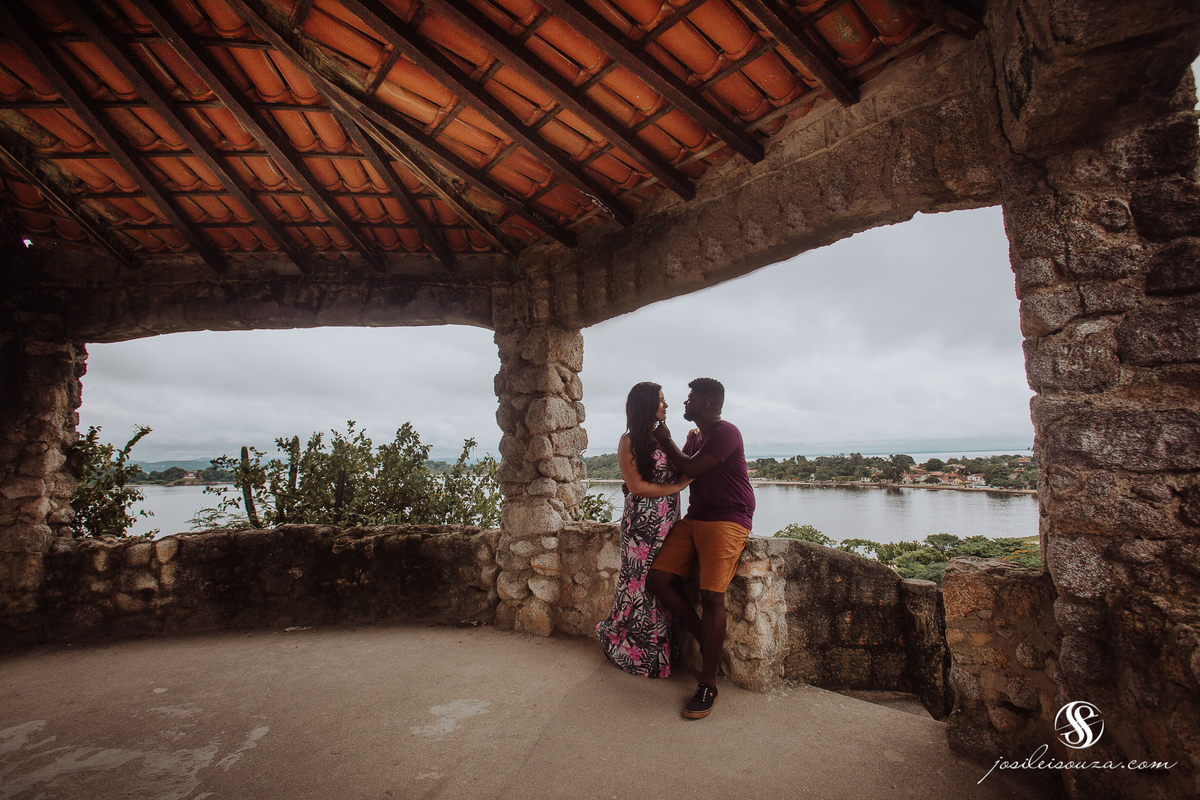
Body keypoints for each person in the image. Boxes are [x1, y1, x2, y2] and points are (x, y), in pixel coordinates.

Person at [647, 377, 754, 719]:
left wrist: (666, 440)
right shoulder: (698, 439)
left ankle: (708, 683)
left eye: (690, 398)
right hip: (696, 518)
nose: (684, 403)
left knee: (712, 597)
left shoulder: (726, 432)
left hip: (728, 519)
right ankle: (704, 639)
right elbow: (680, 469)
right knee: (659, 579)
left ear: (707, 403)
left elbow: (690, 468)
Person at [596, 382, 693, 678]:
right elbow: (636, 485)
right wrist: (676, 488)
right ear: (645, 405)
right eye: (661, 401)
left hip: (667, 524)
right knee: (639, 584)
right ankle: (632, 651)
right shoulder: (629, 441)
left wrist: (687, 444)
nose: (666, 406)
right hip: (641, 526)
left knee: (661, 585)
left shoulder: (663, 437)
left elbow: (680, 465)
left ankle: (659, 655)